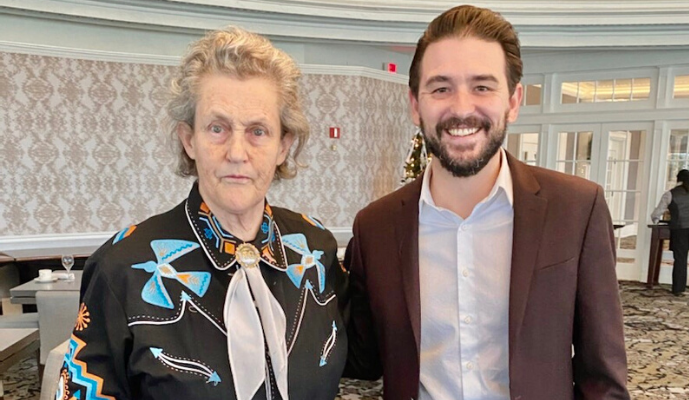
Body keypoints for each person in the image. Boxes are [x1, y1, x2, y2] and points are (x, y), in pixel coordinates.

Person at [344, 5, 630, 400]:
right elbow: (362, 358)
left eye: (482, 86)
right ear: (415, 104)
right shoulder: (375, 226)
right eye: (441, 88)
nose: (461, 108)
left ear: (513, 100)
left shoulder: (577, 209)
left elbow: (604, 381)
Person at [57, 27, 347, 400]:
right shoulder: (122, 268)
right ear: (189, 140)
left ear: (282, 146)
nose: (237, 152)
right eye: (217, 128)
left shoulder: (314, 250)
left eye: (258, 131)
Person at [651, 169, 689, 296]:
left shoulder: (670, 194)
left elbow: (658, 212)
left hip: (680, 228)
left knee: (680, 258)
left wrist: (656, 219)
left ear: (677, 178)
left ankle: (679, 289)